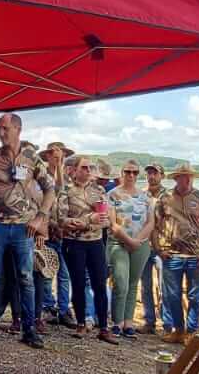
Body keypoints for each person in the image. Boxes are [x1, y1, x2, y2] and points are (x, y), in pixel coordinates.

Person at [0, 113, 55, 349]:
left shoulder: (32, 159)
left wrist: (40, 217)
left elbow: (50, 189)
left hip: (23, 230)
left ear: (18, 129)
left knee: (26, 278)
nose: (2, 132)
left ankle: (29, 330)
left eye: (6, 128)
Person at [56, 154, 117, 342]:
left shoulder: (98, 190)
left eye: (90, 167)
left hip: (96, 242)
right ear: (74, 170)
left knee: (100, 283)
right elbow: (62, 221)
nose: (88, 170)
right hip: (74, 244)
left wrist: (86, 224)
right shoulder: (66, 191)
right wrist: (88, 220)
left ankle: (104, 328)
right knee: (78, 283)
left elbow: (105, 219)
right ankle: (81, 323)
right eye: (84, 167)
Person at [154, 161, 199, 343]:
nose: (185, 179)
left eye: (188, 176)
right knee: (172, 295)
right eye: (181, 176)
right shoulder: (165, 197)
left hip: (196, 256)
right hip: (171, 255)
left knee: (195, 296)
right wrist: (159, 249)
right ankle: (178, 330)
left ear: (192, 177)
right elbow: (154, 225)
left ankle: (192, 331)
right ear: (176, 178)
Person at [107, 159, 155, 338]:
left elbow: (151, 223)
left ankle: (128, 322)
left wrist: (137, 241)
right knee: (121, 282)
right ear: (122, 173)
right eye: (128, 172)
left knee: (133, 283)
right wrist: (128, 240)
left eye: (135, 172)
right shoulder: (112, 194)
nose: (131, 175)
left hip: (140, 245)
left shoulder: (146, 197)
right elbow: (112, 224)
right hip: (118, 243)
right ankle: (117, 322)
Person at [41, 142, 76, 327]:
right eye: (54, 155)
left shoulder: (69, 181)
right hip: (46, 232)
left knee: (64, 274)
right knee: (47, 272)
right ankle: (48, 307)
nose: (57, 158)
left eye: (60, 155)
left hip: (64, 233)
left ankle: (64, 310)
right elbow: (52, 191)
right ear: (47, 156)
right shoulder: (41, 176)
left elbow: (66, 196)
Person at [139, 163, 165, 332]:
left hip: (163, 246)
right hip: (144, 245)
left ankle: (166, 322)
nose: (151, 176)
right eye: (149, 173)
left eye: (155, 173)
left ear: (162, 175)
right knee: (145, 285)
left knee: (165, 286)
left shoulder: (169, 196)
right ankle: (149, 321)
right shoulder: (141, 194)